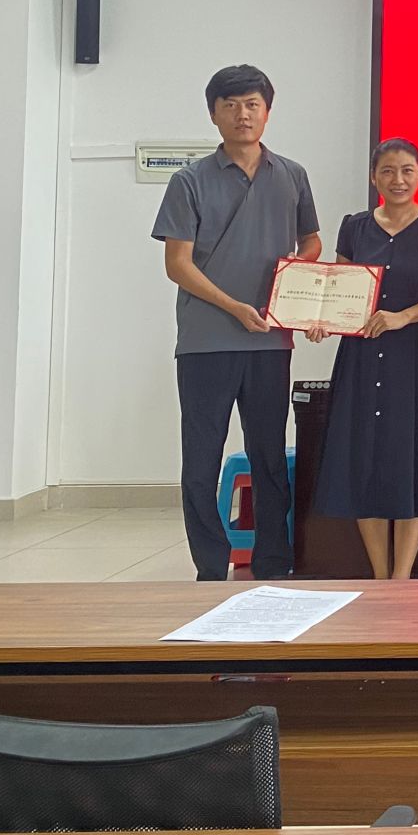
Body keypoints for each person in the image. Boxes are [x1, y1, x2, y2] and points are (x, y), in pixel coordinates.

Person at [152, 64, 320, 582]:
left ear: (267, 111)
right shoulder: (189, 180)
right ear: (213, 114)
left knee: (268, 456)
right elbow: (177, 264)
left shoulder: (292, 174)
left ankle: (272, 562)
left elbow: (311, 241)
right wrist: (234, 307)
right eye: (230, 105)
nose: (242, 114)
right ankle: (209, 566)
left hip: (271, 341)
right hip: (205, 343)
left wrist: (296, 280)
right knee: (201, 460)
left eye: (252, 104)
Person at [309, 138, 418, 579]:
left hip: (415, 356)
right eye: (388, 171)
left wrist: (404, 317)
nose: (398, 180)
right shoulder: (354, 227)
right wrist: (323, 321)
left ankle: (402, 577)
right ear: (373, 177)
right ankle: (381, 576)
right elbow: (340, 291)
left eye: (407, 170)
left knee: (415, 457)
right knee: (365, 459)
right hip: (361, 356)